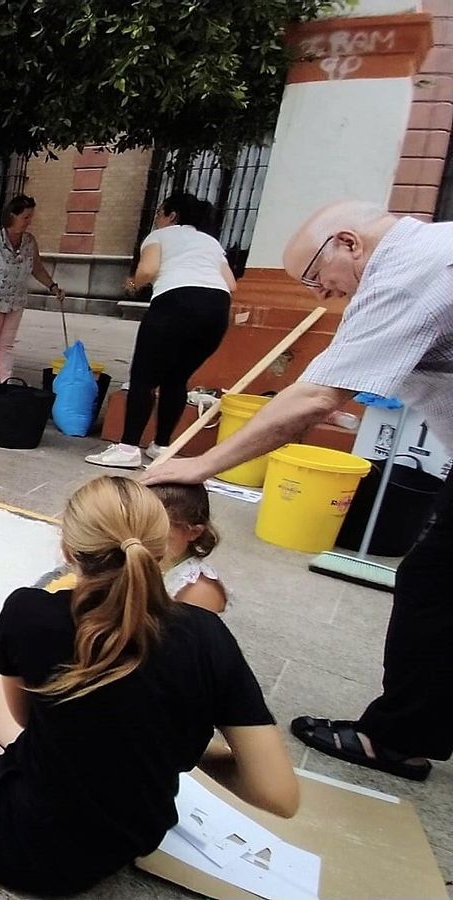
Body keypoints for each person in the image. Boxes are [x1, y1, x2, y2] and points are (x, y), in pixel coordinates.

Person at [0, 476, 297, 895]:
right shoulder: (207, 632)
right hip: (125, 834)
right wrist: (176, 742)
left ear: (68, 549)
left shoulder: (32, 612)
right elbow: (278, 794)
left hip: (31, 842)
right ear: (161, 547)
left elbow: (18, 720)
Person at [144, 199, 453, 783]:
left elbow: (317, 398)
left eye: (317, 278)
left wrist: (201, 463)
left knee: (433, 587)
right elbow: (319, 387)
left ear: (348, 242)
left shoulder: (412, 272)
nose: (320, 296)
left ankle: (394, 739)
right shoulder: (423, 258)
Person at [87, 194, 238, 469]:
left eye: (160, 213)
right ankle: (162, 446)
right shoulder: (210, 242)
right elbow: (231, 283)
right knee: (177, 378)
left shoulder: (161, 236)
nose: (157, 219)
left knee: (143, 377)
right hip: (216, 311)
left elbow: (149, 269)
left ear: (172, 215)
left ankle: (128, 447)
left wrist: (133, 283)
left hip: (174, 306)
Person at [0, 195, 62, 386]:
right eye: (25, 217)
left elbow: (37, 267)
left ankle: (6, 382)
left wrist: (52, 286)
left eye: (30, 217)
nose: (29, 221)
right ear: (12, 216)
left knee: (6, 345)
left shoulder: (29, 242)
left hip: (16, 301)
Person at [148, 482, 229, 613]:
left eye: (158, 534)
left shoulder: (198, 590)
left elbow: (197, 632)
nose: (142, 539)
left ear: (194, 532)